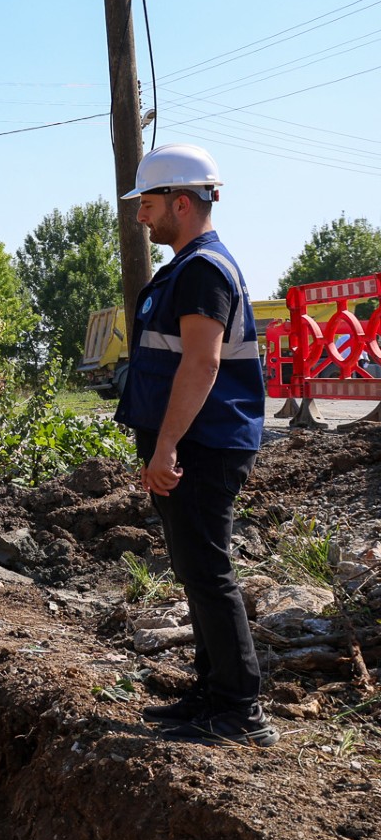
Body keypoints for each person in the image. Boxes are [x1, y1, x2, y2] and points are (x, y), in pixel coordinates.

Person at [113, 144, 274, 748]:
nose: (140, 217)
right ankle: (212, 693)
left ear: (183, 201)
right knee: (194, 567)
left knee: (208, 570)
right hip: (190, 444)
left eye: (148, 204)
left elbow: (203, 364)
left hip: (203, 445)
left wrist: (167, 447)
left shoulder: (203, 270)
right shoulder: (182, 268)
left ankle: (240, 707)